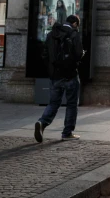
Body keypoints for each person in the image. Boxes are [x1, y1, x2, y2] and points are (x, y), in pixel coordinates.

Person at [34, 14, 84, 143]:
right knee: (72, 104)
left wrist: (52, 70)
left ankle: (42, 122)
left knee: (54, 103)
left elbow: (45, 54)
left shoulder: (52, 34)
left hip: (55, 76)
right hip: (71, 75)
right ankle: (67, 133)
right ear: (75, 24)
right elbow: (78, 54)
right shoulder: (74, 34)